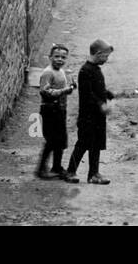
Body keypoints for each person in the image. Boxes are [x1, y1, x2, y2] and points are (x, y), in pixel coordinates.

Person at [65, 39, 116, 185]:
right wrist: (101, 104)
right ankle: (70, 171)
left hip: (97, 117)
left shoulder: (95, 69)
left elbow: (97, 89)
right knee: (83, 144)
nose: (106, 59)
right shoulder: (85, 70)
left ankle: (93, 174)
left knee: (96, 145)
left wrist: (108, 94)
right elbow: (88, 94)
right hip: (87, 116)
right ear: (98, 54)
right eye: (105, 56)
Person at [36, 43, 76, 180]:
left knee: (60, 140)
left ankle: (57, 167)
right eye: (57, 56)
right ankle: (41, 169)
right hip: (49, 110)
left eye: (63, 57)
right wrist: (65, 90)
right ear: (50, 57)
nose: (60, 59)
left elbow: (62, 89)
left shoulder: (61, 71)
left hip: (60, 109)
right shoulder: (48, 72)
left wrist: (70, 87)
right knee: (52, 140)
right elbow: (45, 92)